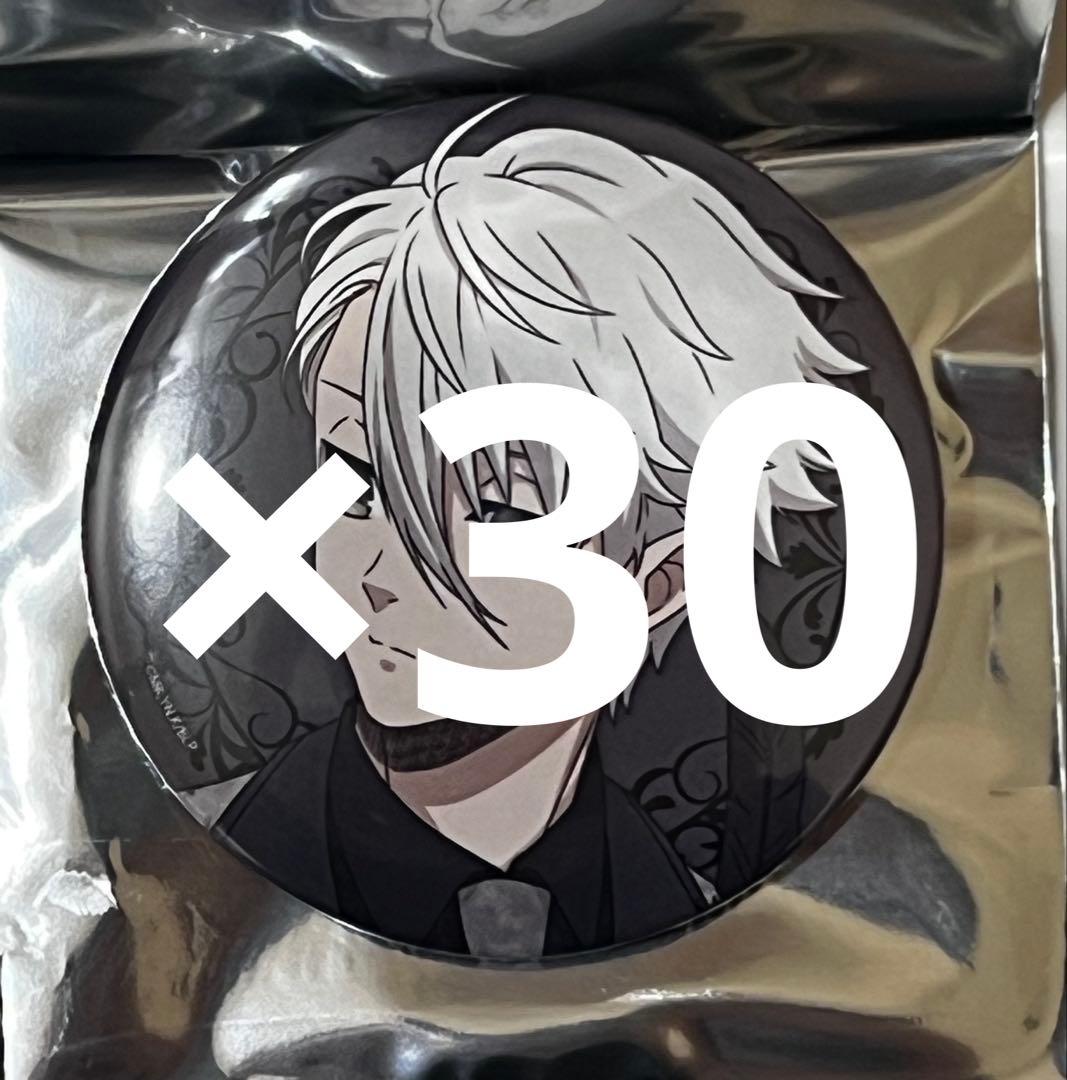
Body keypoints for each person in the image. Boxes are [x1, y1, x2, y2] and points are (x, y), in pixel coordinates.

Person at [217, 100, 862, 959]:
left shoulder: (729, 921)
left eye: (500, 515)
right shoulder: (197, 876)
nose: (372, 576)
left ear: (661, 583)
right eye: (359, 480)